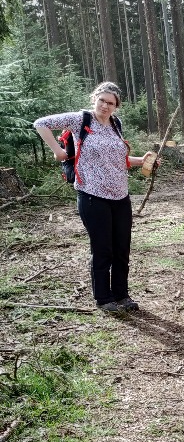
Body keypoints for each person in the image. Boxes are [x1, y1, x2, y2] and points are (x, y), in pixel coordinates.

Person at [33, 81, 153, 313]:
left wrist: (143, 161)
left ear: (116, 106)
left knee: (121, 248)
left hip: (120, 195)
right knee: (102, 248)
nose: (105, 106)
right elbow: (41, 123)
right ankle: (103, 298)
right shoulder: (81, 120)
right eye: (102, 100)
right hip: (91, 195)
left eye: (111, 103)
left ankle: (121, 295)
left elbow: (118, 160)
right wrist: (58, 152)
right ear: (94, 99)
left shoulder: (115, 124)